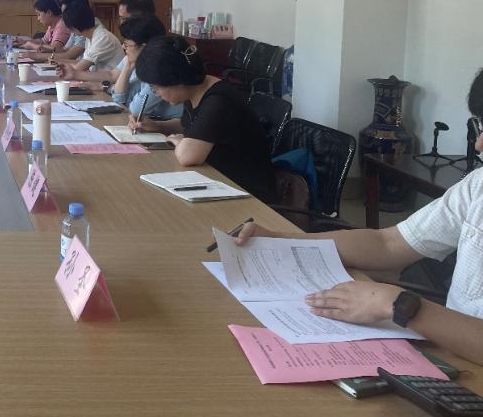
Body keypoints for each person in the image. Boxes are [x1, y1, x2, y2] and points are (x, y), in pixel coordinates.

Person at [232, 68, 483, 365]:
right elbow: (389, 243)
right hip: (454, 358)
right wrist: (281, 241)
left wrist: (400, 304)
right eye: (480, 126)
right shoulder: (477, 187)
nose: (478, 145)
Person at [133, 34, 274, 202]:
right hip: (217, 181)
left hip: (246, 193)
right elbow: (190, 126)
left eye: (155, 87)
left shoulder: (218, 101)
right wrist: (157, 126)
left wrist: (181, 142)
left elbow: (187, 156)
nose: (156, 92)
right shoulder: (196, 89)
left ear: (176, 81)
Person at [24, 0, 89, 63]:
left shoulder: (85, 28)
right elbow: (65, 49)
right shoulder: (77, 27)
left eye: (66, 14)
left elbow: (69, 55)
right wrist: (49, 50)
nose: (63, 18)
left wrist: (35, 55)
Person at [60, 0, 123, 73]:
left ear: (74, 25)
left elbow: (78, 68)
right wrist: (58, 64)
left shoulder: (102, 38)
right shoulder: (90, 36)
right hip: (100, 77)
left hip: (113, 79)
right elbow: (82, 62)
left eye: (69, 27)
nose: (68, 30)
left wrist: (59, 65)